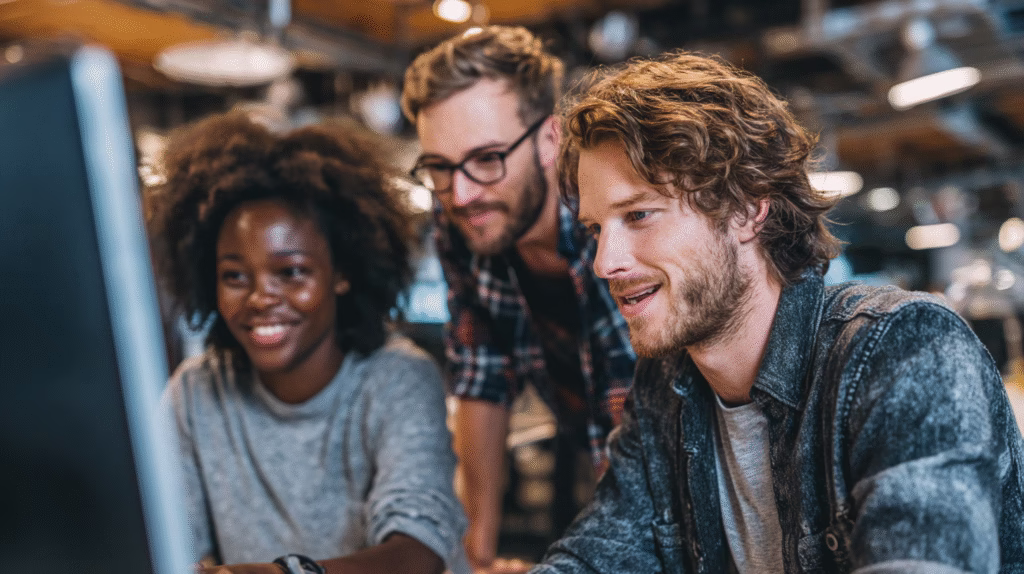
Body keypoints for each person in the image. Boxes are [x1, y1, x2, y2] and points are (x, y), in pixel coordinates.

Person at [532, 51, 1024, 573]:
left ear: (747, 208)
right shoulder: (665, 390)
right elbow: (593, 558)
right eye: (594, 229)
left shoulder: (905, 348)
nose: (605, 263)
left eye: (639, 215)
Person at [148, 112, 468, 574]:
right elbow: (168, 544)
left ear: (342, 273)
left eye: (291, 272)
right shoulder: (196, 392)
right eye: (234, 276)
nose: (260, 297)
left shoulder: (397, 378)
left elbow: (419, 551)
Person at [401, 26, 636, 571]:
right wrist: (472, 555)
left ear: (551, 139)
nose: (460, 193)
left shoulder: (605, 220)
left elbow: (631, 413)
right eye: (439, 166)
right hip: (584, 437)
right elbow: (481, 376)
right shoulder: (463, 214)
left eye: (487, 158)